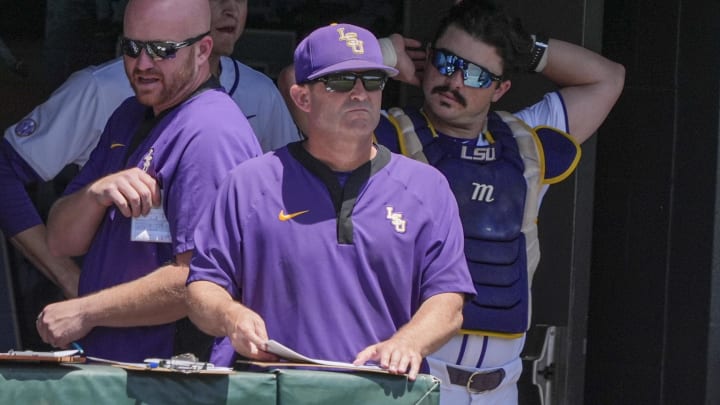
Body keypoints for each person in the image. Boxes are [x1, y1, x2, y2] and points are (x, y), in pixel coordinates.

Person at [185, 23, 475, 381]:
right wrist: (231, 316)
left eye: (372, 80)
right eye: (340, 82)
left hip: (381, 392)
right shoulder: (249, 183)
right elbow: (202, 289)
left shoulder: (426, 187)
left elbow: (448, 300)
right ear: (302, 97)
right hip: (273, 388)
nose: (359, 93)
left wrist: (408, 343)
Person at [368, 1, 625, 403]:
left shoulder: (523, 145)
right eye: (446, 60)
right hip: (411, 378)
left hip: (501, 386)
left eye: (475, 73)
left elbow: (607, 79)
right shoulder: (383, 137)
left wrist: (524, 48)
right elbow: (299, 88)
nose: (454, 80)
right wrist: (380, 54)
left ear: (500, 88)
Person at [0, 0, 298, 342]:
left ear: (203, 51)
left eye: (162, 50)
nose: (143, 63)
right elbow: (60, 239)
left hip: (169, 374)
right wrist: (95, 195)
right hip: (113, 362)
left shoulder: (210, 130)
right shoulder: (130, 113)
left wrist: (86, 310)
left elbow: (201, 280)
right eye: (133, 47)